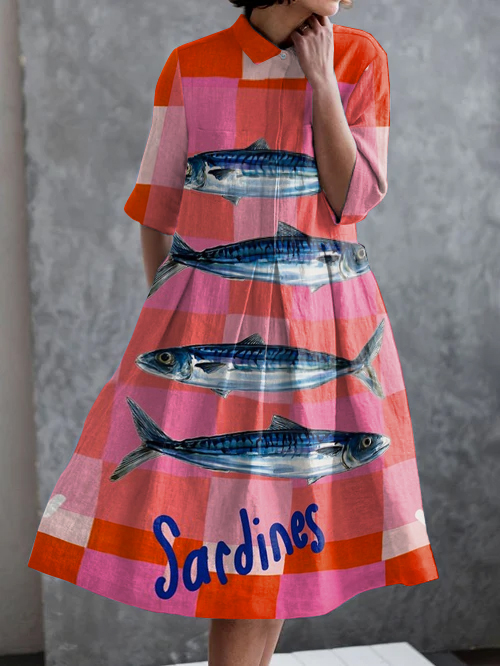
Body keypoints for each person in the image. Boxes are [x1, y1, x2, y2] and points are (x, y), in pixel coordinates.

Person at [27, 1, 439, 665]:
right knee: (240, 554)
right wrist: (178, 313)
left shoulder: (359, 58)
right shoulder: (191, 65)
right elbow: (158, 207)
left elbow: (353, 199)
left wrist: (322, 80)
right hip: (209, 339)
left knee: (276, 551)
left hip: (325, 332)